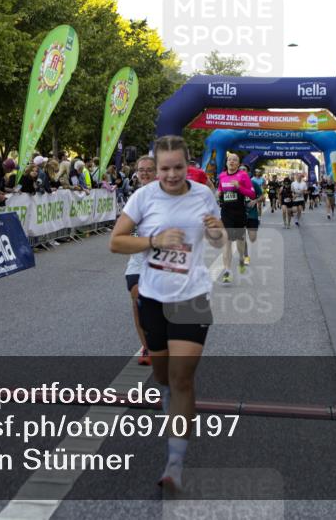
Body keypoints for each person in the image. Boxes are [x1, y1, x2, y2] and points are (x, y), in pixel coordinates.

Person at [109, 135, 225, 493]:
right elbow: (116, 241)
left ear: (187, 165)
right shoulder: (144, 197)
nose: (171, 175)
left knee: (182, 378)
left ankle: (175, 462)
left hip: (191, 296)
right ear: (155, 168)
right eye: (164, 169)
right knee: (163, 375)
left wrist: (217, 232)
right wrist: (153, 242)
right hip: (153, 296)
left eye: (177, 167)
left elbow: (219, 240)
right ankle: (169, 399)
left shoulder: (203, 195)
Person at [123, 155, 158, 366]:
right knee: (137, 300)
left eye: (149, 169)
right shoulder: (135, 196)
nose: (144, 173)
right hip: (137, 260)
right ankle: (147, 347)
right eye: (141, 169)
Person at [216, 153, 256, 283]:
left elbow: (252, 193)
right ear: (226, 162)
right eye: (230, 160)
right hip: (226, 212)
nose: (232, 161)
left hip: (239, 212)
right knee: (226, 241)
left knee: (239, 240)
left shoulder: (243, 175)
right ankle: (227, 271)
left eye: (235, 160)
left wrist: (239, 187)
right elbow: (220, 189)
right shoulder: (222, 175)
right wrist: (218, 193)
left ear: (238, 164)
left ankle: (240, 258)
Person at [245, 167, 265, 249]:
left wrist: (255, 201)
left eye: (244, 170)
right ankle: (244, 255)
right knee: (241, 237)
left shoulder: (253, 183)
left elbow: (262, 196)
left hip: (252, 214)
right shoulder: (235, 184)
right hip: (239, 214)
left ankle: (259, 217)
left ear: (248, 173)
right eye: (240, 170)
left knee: (252, 238)